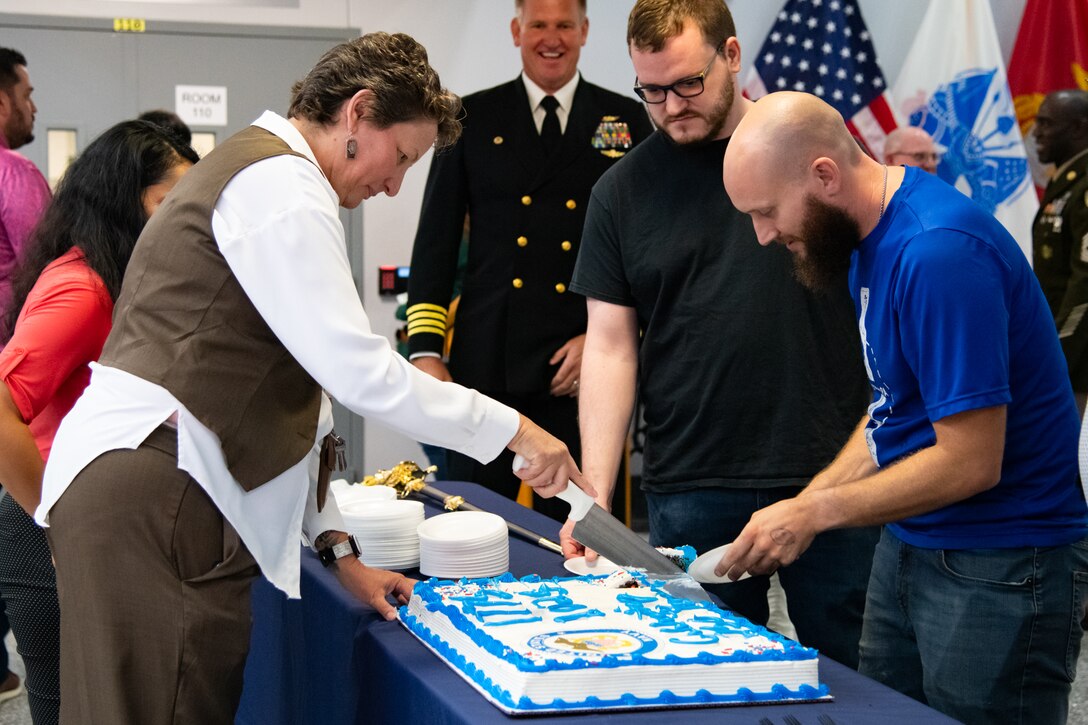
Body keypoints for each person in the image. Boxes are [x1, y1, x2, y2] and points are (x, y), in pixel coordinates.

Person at [34, 33, 590, 725]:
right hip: (160, 490)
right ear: (359, 114)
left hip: (153, 487)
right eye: (403, 158)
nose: (392, 184)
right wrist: (516, 430)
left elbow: (301, 395)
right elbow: (359, 374)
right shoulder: (282, 186)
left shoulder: (267, 174)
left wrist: (337, 547)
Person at [720, 90, 1088, 724]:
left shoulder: (935, 252)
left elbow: (972, 461)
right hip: (914, 544)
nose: (763, 235)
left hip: (999, 562)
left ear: (824, 175)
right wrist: (805, 503)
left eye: (767, 211)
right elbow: (893, 409)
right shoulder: (870, 235)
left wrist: (817, 513)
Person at [567, 0, 875, 669]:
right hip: (692, 478)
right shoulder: (620, 192)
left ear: (731, 56)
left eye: (688, 84)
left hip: (827, 466)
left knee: (855, 672)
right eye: (652, 91)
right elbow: (611, 346)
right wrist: (595, 491)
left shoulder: (813, 155)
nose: (672, 105)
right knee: (704, 674)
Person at [407, 0, 653, 521]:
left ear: (584, 31)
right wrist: (425, 349)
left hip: (582, 367)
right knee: (471, 523)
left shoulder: (627, 119)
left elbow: (644, 251)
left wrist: (608, 339)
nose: (552, 37)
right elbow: (435, 244)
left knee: (584, 528)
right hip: (487, 364)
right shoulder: (469, 119)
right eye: (538, 24)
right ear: (517, 30)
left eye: (564, 24)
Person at [0, 120, 197, 725]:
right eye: (171, 203)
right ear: (125, 196)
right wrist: (52, 520)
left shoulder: (109, 275)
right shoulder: (83, 287)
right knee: (69, 707)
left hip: (86, 519)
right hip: (45, 525)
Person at [1031, 89, 1088, 412]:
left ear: (1079, 128)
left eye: (1046, 123)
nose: (1036, 132)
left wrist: (1058, 354)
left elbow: (1084, 287)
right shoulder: (1067, 179)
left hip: (1078, 365)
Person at [0, 47, 50, 328]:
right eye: (27, 96)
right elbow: (46, 270)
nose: (33, 108)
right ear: (2, 103)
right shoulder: (14, 172)